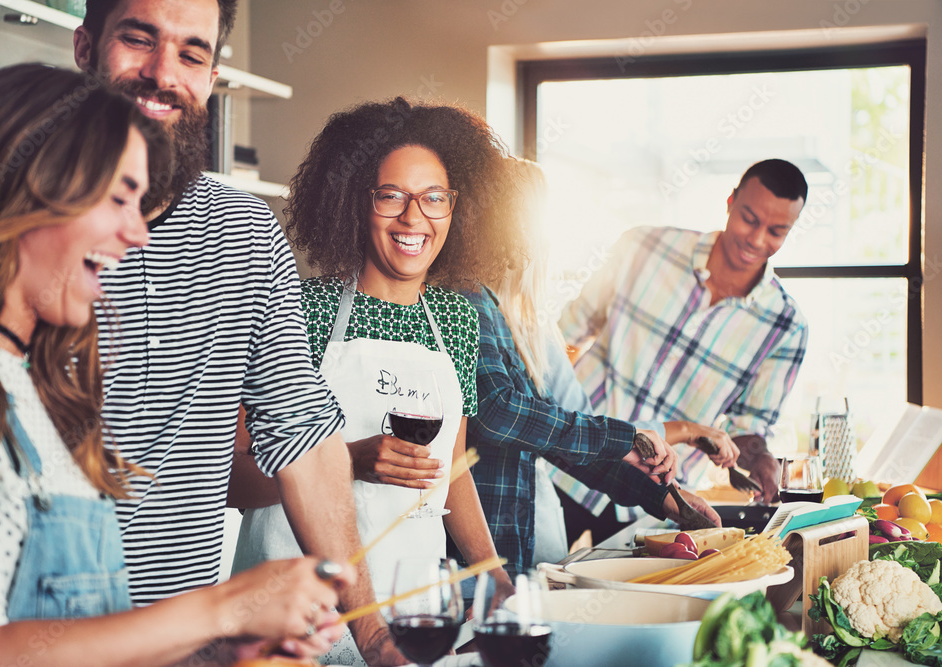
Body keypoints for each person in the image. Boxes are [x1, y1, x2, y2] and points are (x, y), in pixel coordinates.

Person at [0, 63, 352, 667]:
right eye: (117, 200)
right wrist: (222, 608)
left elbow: (66, 636)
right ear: (26, 191)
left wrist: (222, 649)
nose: (137, 234)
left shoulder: (33, 387)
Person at [73, 2, 396, 660]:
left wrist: (374, 634)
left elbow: (301, 433)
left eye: (192, 54)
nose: (164, 72)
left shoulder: (244, 233)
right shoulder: (5, 230)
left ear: (213, 77)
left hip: (192, 646)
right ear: (85, 48)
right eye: (138, 39)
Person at [231, 97, 518, 665]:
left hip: (413, 610)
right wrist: (348, 459)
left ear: (458, 208)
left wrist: (491, 572)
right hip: (296, 615)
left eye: (434, 197)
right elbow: (234, 479)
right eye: (391, 196)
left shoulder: (458, 321)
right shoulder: (298, 308)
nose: (415, 218)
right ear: (353, 203)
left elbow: (451, 468)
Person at [465, 158, 719, 573]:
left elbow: (556, 443)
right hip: (470, 561)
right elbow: (497, 412)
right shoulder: (466, 300)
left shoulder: (512, 316)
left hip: (512, 548)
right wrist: (625, 436)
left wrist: (667, 500)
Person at [557, 158, 809, 536]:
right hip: (565, 463)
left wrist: (761, 459)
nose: (757, 240)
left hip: (656, 498)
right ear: (730, 201)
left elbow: (748, 428)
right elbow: (565, 338)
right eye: (750, 219)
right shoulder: (643, 246)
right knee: (527, 585)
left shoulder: (786, 326)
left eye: (776, 231)